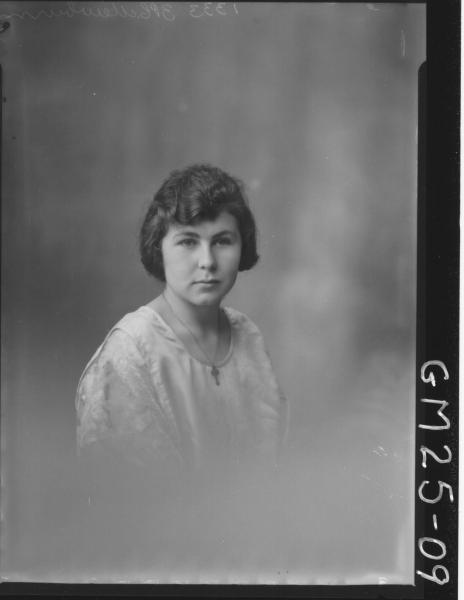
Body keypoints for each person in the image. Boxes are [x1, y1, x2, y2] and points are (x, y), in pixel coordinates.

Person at [76, 164, 288, 476]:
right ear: (158, 248)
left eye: (222, 241)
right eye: (188, 242)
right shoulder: (129, 352)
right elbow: (127, 500)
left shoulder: (246, 335)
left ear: (242, 245)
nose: (207, 262)